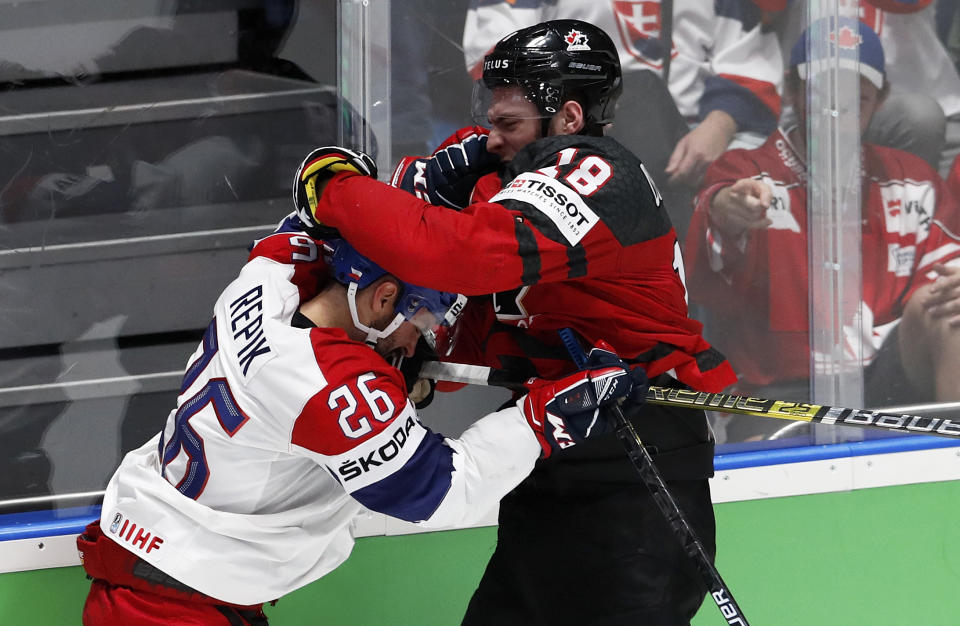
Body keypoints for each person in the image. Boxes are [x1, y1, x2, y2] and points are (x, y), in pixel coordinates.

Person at [75, 147, 644, 624]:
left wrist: (418, 192)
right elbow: (442, 489)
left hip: (157, 571)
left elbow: (314, 204)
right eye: (421, 322)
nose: (418, 342)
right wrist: (540, 419)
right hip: (173, 603)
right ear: (385, 297)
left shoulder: (273, 278)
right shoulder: (333, 381)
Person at [303, 20, 737, 625]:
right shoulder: (500, 171)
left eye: (508, 125)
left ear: (568, 118)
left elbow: (460, 255)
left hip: (636, 458)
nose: (491, 137)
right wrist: (423, 349)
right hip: (548, 449)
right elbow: (470, 309)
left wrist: (336, 188)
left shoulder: (600, 176)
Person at [683, 17, 960, 440]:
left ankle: (952, 473)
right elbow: (705, 268)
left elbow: (943, 285)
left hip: (888, 382)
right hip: (779, 394)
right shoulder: (745, 173)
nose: (837, 110)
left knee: (951, 309)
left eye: (856, 98)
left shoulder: (914, 178)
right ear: (792, 92)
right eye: (822, 95)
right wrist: (725, 212)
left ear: (879, 99)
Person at [461, 0, 783, 237]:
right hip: (564, 133)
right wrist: (573, 108)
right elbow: (497, 53)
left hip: (685, 150)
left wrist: (720, 124)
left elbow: (749, 64)